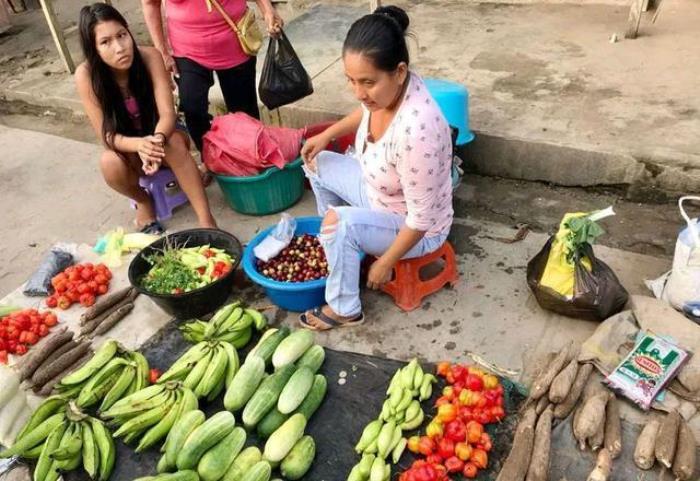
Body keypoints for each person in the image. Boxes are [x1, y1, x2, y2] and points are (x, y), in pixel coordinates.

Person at [299, 5, 453, 330]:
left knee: (338, 224)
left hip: (417, 228)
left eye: (367, 82)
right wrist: (326, 135)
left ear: (399, 72)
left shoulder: (417, 130)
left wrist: (386, 262)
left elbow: (421, 220)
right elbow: (365, 111)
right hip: (377, 192)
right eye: (351, 81)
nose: (359, 92)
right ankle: (341, 250)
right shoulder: (388, 91)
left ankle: (345, 308)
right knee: (317, 162)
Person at [76, 3, 217, 233]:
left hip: (164, 134)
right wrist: (139, 145)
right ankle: (143, 200)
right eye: (106, 42)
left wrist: (155, 141)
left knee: (172, 144)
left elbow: (168, 114)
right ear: (94, 49)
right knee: (109, 163)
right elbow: (107, 135)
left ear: (129, 31)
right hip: (127, 146)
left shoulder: (150, 57)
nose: (120, 48)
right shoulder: (86, 76)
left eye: (122, 35)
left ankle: (207, 220)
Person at [141, 0, 284, 152]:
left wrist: (267, 10)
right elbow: (150, 4)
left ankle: (250, 159)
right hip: (186, 50)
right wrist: (162, 52)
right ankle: (211, 160)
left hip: (235, 41)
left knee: (244, 115)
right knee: (192, 108)